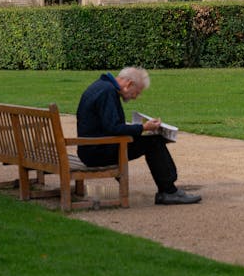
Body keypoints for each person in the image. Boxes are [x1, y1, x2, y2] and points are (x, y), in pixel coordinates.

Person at [76, 67, 201, 205]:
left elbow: (108, 125)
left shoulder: (101, 86)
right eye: (137, 92)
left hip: (90, 149)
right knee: (153, 141)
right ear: (129, 84)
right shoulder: (107, 92)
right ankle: (168, 191)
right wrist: (143, 127)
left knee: (152, 139)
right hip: (96, 153)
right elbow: (114, 128)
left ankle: (168, 190)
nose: (135, 97)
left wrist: (140, 129)